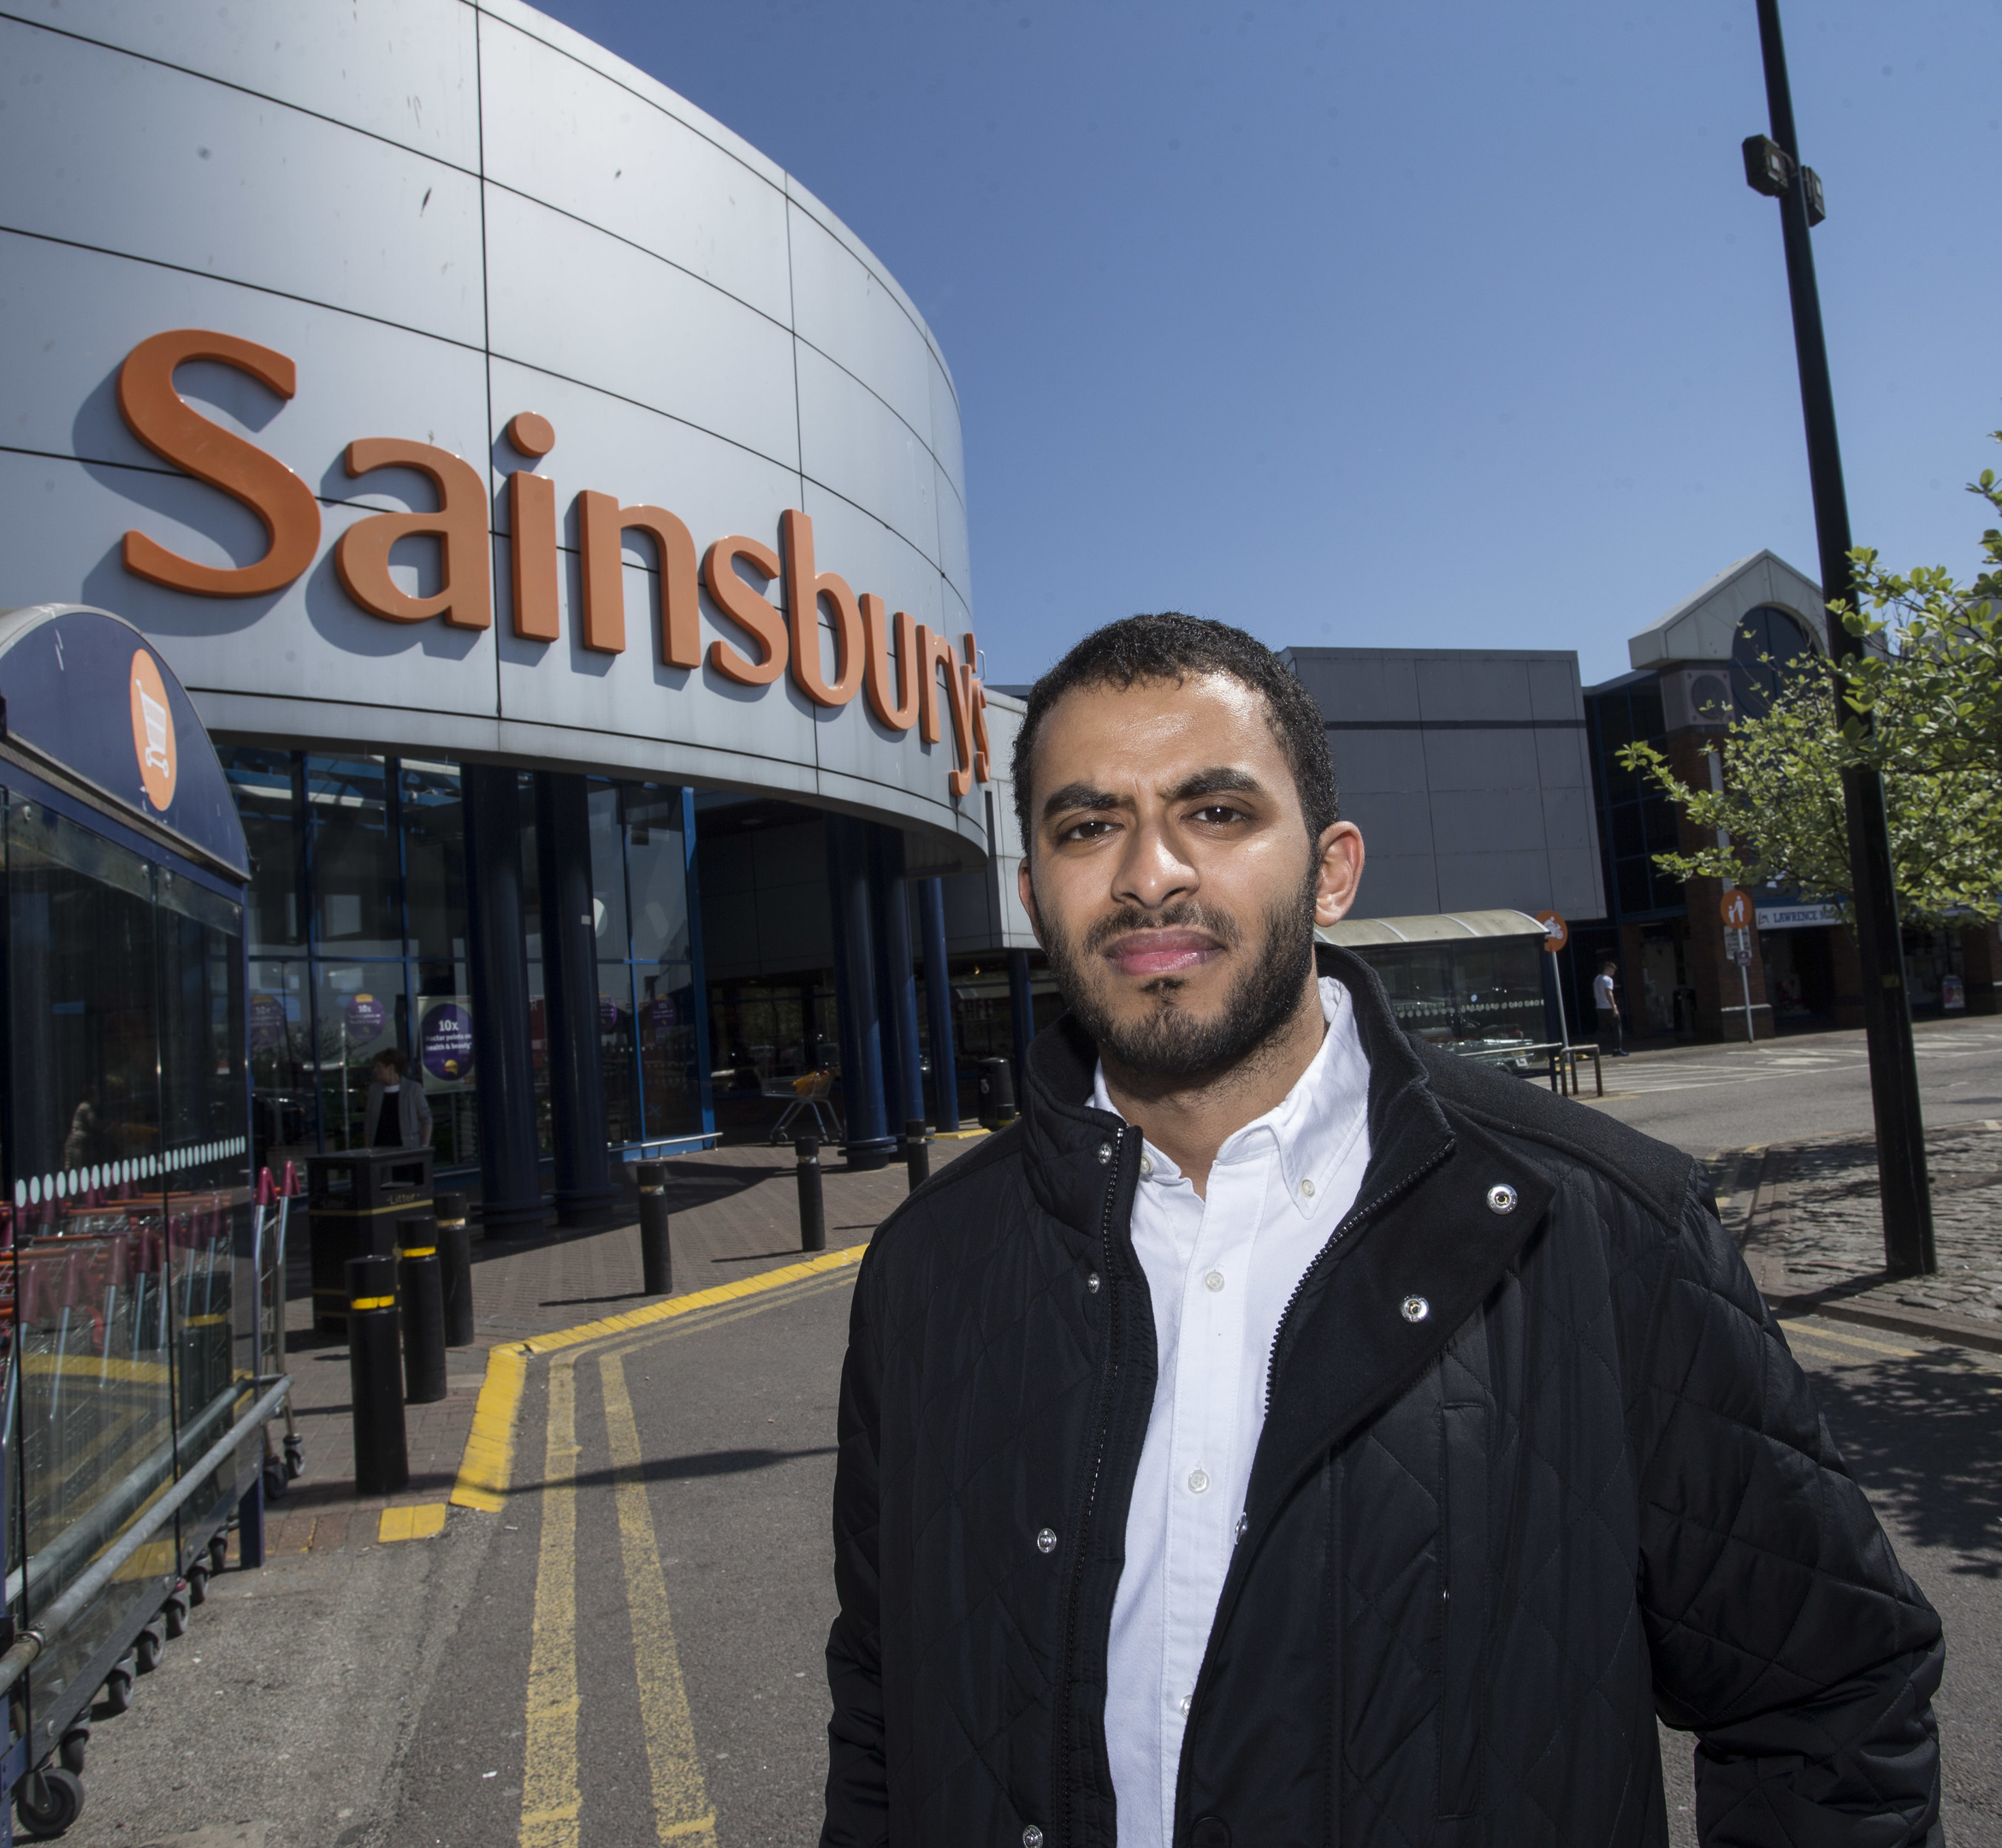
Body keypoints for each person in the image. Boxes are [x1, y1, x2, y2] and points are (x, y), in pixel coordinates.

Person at [821, 614, 1943, 1848]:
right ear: (1034, 892)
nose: (1150, 873)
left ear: (1334, 870)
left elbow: (1828, 1695)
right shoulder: (926, 1271)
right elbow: (884, 1711)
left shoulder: (1605, 1223)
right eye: (1089, 826)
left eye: (1218, 812)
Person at [362, 1045, 432, 1152]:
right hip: (378, 1149)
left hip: (407, 1149)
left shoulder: (412, 1089)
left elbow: (426, 1119)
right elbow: (369, 1123)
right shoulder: (374, 1090)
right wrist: (367, 1150)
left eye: (379, 1066)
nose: (375, 1070)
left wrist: (424, 1147)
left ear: (391, 1068)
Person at [1591, 956, 1626, 1054]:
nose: (1613, 973)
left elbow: (1594, 994)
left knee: (1602, 1029)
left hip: (1599, 1007)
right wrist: (1614, 1007)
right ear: (1608, 969)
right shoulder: (1608, 980)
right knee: (1617, 1028)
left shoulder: (1597, 979)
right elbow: (1609, 993)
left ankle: (1591, 1047)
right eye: (1613, 971)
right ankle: (1617, 1049)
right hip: (1608, 1007)